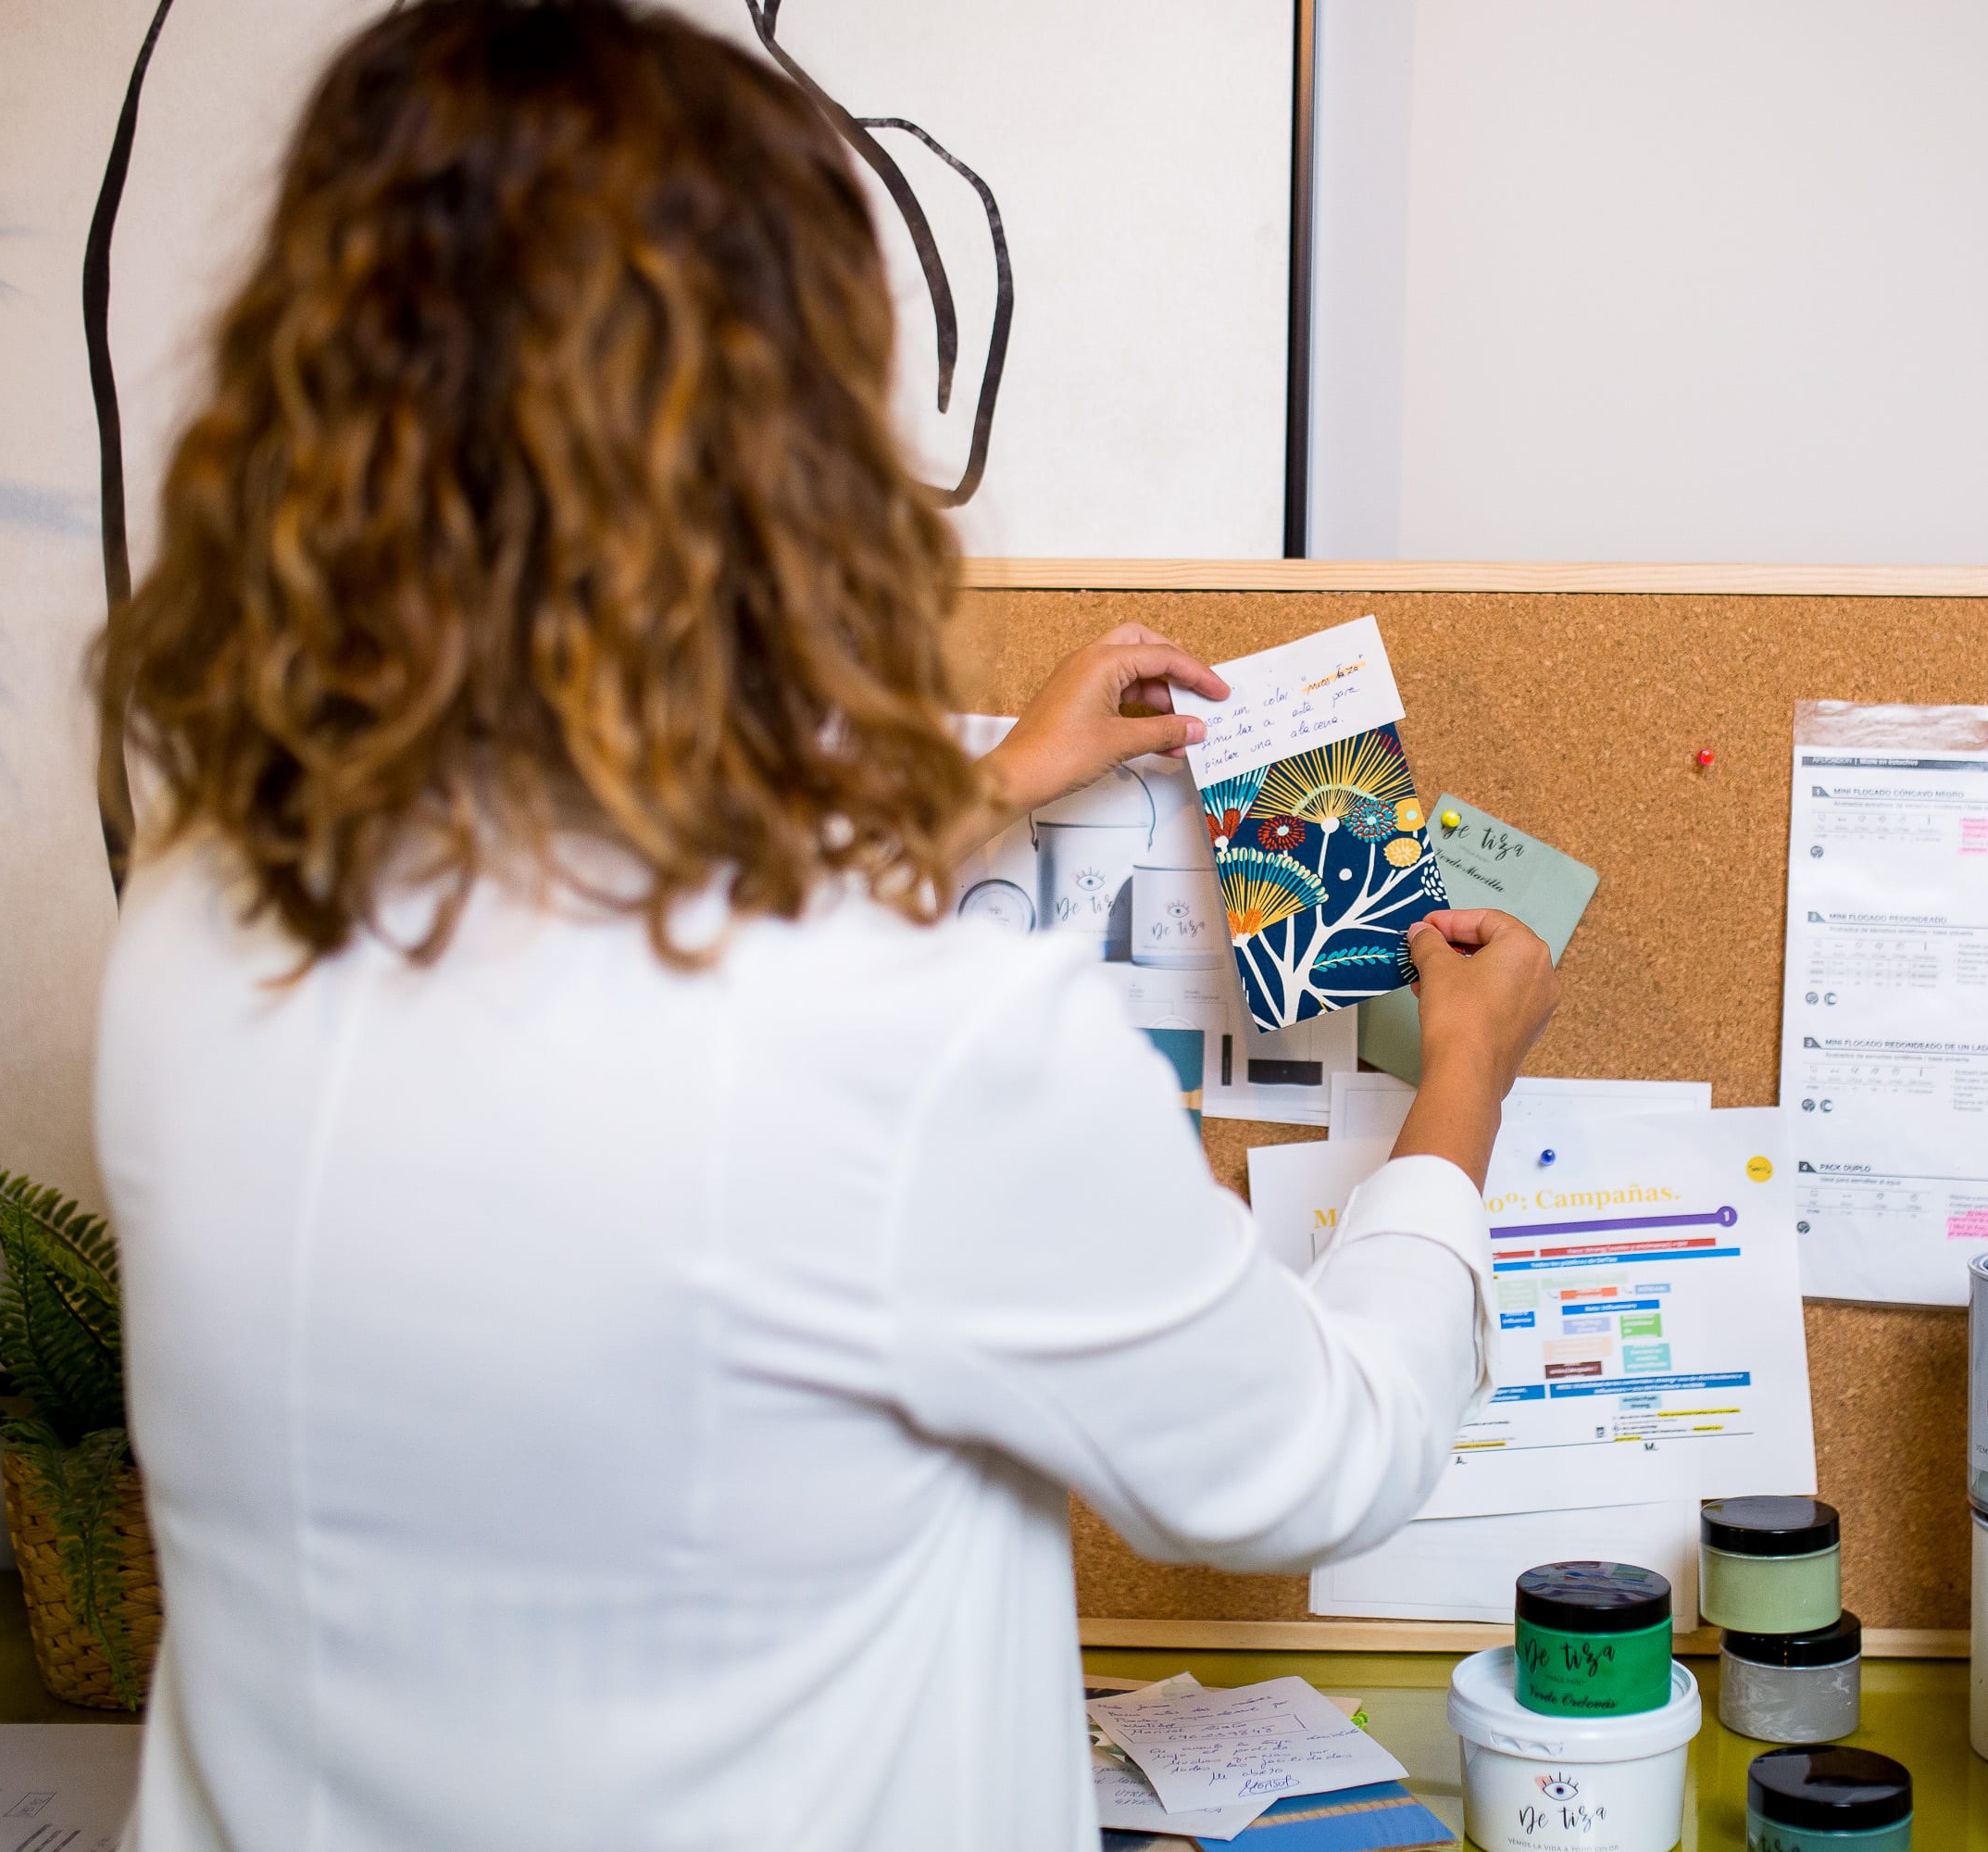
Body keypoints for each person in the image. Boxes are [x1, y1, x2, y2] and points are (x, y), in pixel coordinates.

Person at [88, 4, 1558, 1847]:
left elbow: (629, 970)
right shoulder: (936, 1049)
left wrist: (994, 782)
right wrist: (1461, 1090)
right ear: (779, 459)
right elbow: (1318, 1458)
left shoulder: (194, 916)